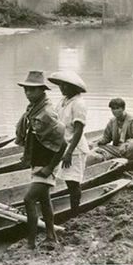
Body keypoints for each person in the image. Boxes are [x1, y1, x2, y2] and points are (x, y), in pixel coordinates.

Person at [15, 71, 66, 249]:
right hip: (39, 161)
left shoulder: (47, 113)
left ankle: (31, 243)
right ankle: (51, 236)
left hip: (46, 164)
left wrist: (49, 168)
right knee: (44, 200)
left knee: (28, 199)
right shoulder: (33, 108)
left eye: (32, 90)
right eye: (26, 90)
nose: (28, 93)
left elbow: (63, 144)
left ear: (42, 90)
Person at [48, 71, 89, 218]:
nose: (62, 88)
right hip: (63, 145)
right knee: (68, 180)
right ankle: (74, 210)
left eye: (65, 85)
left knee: (73, 182)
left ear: (73, 87)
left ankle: (75, 213)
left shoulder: (78, 103)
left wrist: (69, 152)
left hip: (75, 148)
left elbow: (78, 130)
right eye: (61, 85)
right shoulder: (64, 101)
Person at [88, 98, 133, 164]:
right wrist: (96, 143)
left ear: (123, 108)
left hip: (129, 150)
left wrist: (126, 144)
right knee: (94, 146)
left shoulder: (132, 121)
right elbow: (106, 138)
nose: (115, 111)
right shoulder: (112, 122)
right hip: (117, 149)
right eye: (113, 109)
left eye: (117, 108)